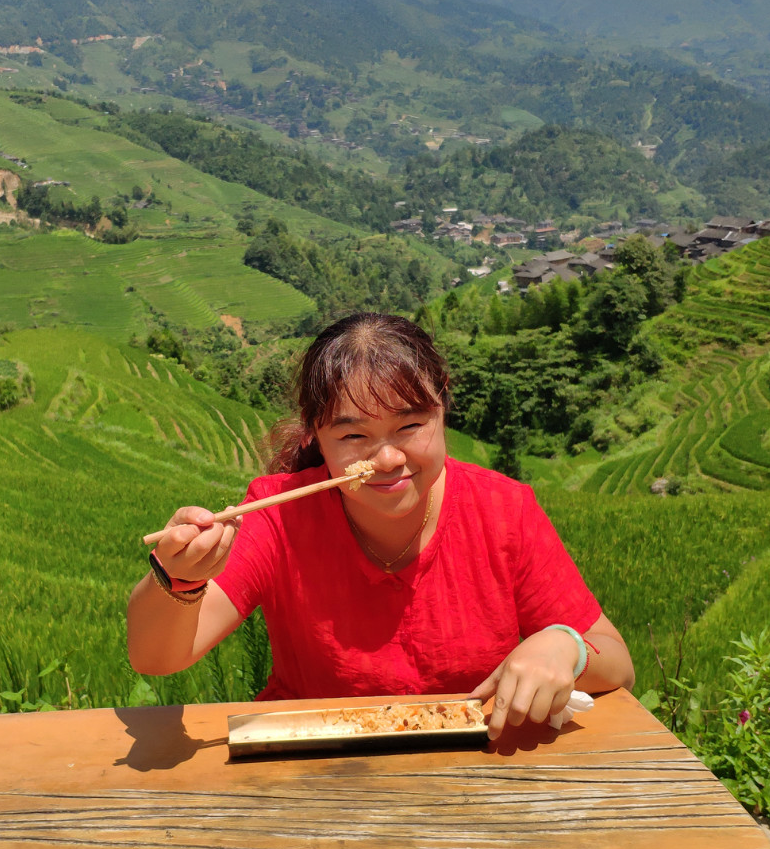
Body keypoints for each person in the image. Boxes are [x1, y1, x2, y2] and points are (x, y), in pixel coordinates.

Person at [126, 312, 634, 739]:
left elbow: (617, 663)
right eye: (353, 436)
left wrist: (566, 646)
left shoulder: (504, 511)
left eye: (410, 426)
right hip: (315, 770)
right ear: (315, 434)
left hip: (476, 767)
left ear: (443, 408)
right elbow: (156, 658)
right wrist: (180, 577)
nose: (388, 459)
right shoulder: (279, 515)